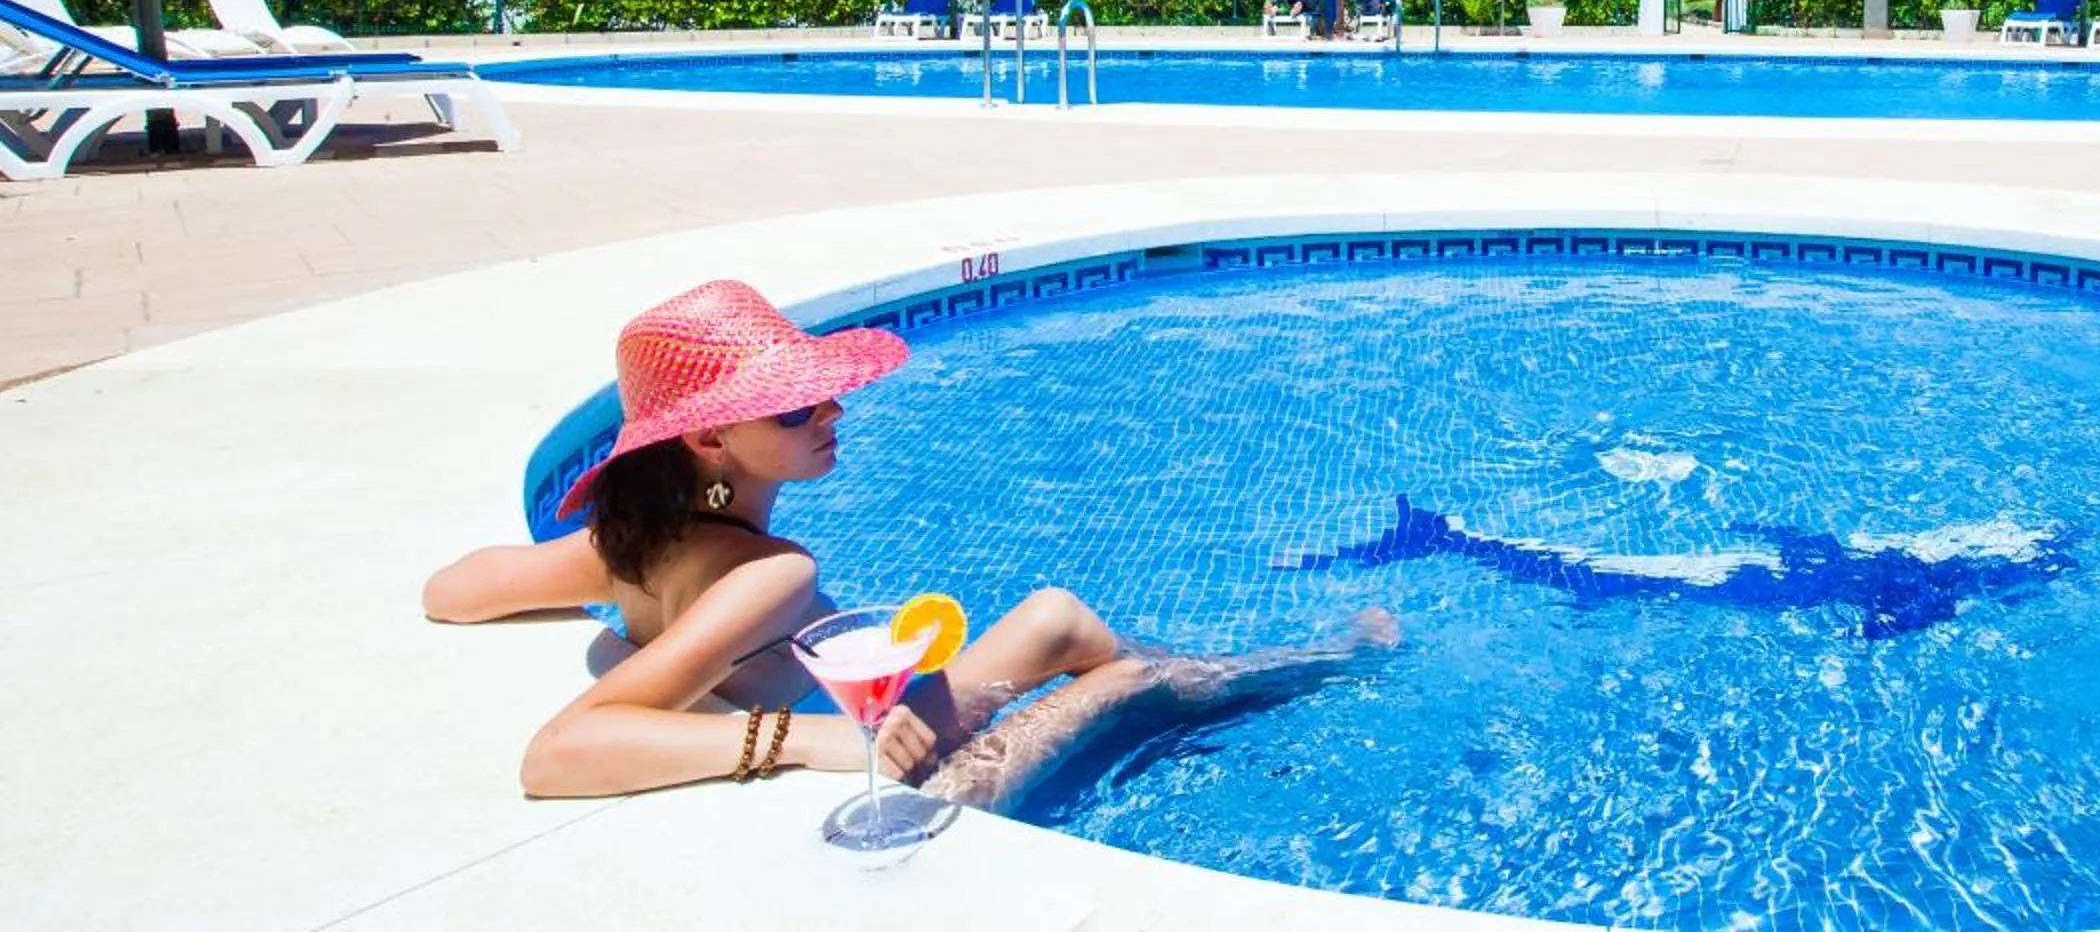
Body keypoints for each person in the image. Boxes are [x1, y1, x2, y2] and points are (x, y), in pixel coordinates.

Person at [424, 279, 1390, 808]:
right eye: (798, 404)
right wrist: (817, 742)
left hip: (872, 723)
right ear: (711, 436)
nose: (833, 410)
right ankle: (1291, 670)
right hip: (918, 783)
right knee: (1125, 678)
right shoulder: (768, 573)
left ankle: (1257, 671)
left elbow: (454, 589)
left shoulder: (638, 535)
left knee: (1055, 617)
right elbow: (558, 752)